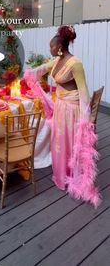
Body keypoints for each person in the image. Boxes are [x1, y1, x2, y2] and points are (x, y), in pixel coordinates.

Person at [24, 25, 100, 207]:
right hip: (60, 106)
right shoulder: (57, 60)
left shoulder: (75, 64)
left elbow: (83, 92)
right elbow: (42, 68)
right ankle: (61, 176)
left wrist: (86, 120)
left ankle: (72, 175)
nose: (49, 49)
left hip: (73, 108)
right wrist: (28, 75)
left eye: (51, 46)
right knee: (59, 140)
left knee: (71, 141)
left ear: (59, 47)